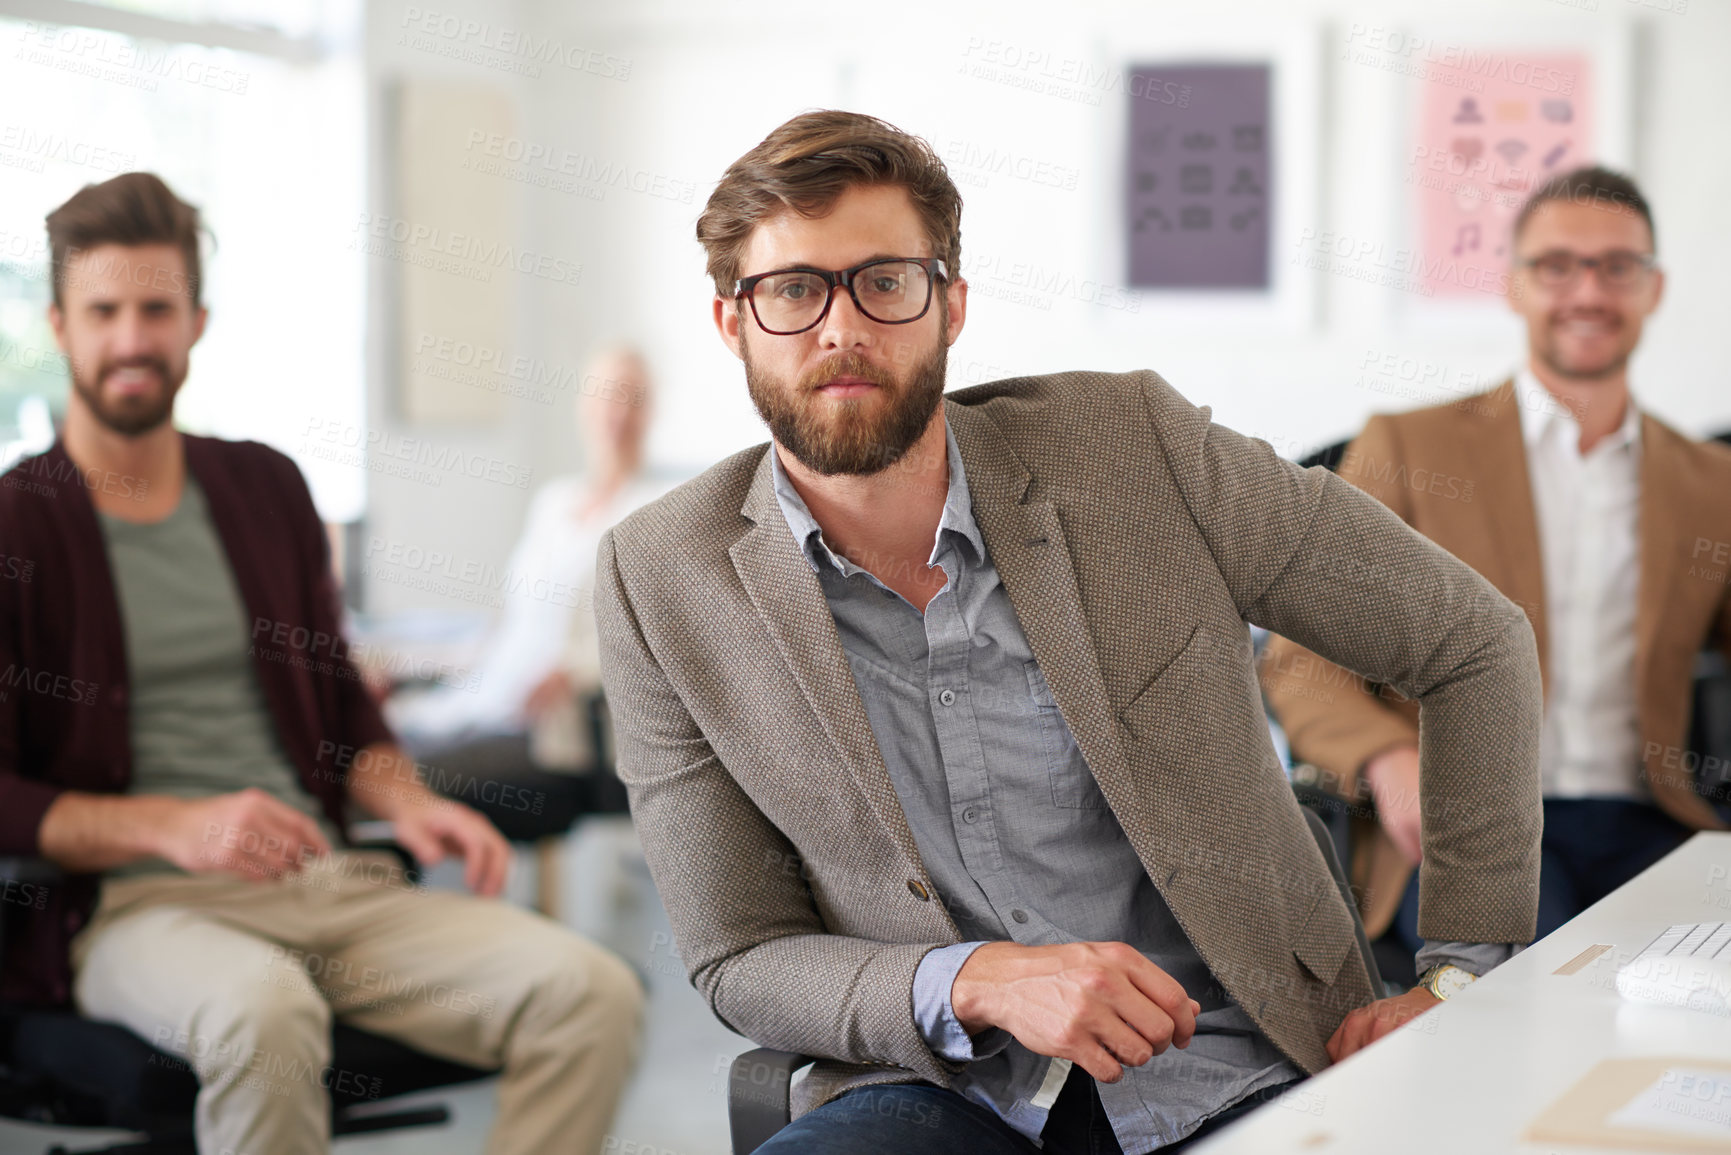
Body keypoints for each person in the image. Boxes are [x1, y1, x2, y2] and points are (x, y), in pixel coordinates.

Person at [593, 110, 1544, 1154]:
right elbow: (741, 954)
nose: (841, 329)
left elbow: (1472, 644)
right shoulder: (659, 577)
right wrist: (971, 981)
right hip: (943, 1089)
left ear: (951, 304)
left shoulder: (1135, 448)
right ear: (733, 322)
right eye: (792, 289)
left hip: (1243, 1060)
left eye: (886, 280)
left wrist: (1458, 978)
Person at [0, 172, 642, 1155]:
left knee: (590, 994)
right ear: (59, 322)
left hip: (324, 881)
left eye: (157, 309)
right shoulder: (18, 520)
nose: (132, 339)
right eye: (105, 311)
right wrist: (177, 826)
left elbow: (344, 711)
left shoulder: (264, 487)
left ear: (197, 320)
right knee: (266, 1019)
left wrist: (411, 803)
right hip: (136, 907)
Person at [1262, 166, 1731, 956]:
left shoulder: (1708, 478)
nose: (1588, 291)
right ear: (1513, 287)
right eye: (1556, 266)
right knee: (1537, 1003)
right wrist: (1386, 756)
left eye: (1617, 266)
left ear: (1653, 289)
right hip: (1470, 826)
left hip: (1650, 819)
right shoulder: (1410, 446)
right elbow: (1299, 660)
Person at [386, 347, 669, 838]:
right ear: (584, 405)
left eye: (633, 398)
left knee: (399, 777)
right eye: (606, 396)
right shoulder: (554, 503)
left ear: (651, 411)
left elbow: (662, 637)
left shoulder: (662, 509)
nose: (617, 412)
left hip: (555, 733)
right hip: (489, 697)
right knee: (375, 748)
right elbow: (509, 620)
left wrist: (578, 673)